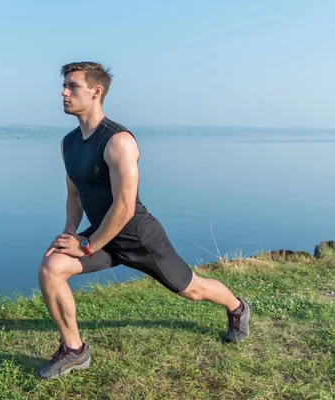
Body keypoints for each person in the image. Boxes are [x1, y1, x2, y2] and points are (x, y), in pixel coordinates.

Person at [37, 61, 250, 380]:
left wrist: (88, 246)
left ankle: (237, 307)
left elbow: (123, 207)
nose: (64, 92)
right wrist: (70, 233)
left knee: (192, 290)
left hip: (138, 237)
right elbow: (74, 195)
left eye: (72, 86)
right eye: (64, 86)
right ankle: (74, 350)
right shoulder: (68, 143)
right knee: (51, 267)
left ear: (96, 92)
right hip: (100, 236)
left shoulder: (119, 141)